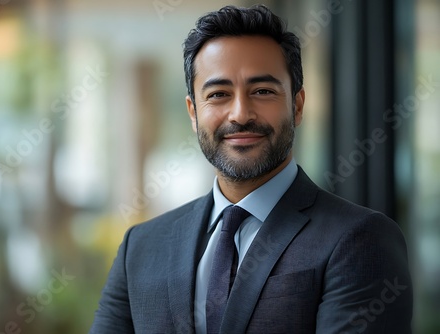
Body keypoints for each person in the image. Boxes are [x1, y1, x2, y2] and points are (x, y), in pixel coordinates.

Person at [89, 4, 413, 333]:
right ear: (193, 112)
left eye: (262, 91)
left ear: (297, 105)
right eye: (218, 94)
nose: (240, 114)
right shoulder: (142, 247)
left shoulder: (359, 239)